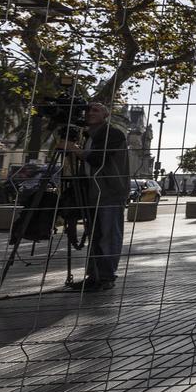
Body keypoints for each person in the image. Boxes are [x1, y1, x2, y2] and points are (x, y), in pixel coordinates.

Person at [59, 102, 129, 291]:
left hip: (110, 193)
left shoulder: (112, 134)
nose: (90, 113)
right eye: (88, 110)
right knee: (96, 236)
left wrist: (72, 148)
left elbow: (97, 158)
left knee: (108, 236)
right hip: (93, 193)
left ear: (106, 115)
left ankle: (106, 277)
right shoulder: (89, 136)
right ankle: (94, 276)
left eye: (96, 110)